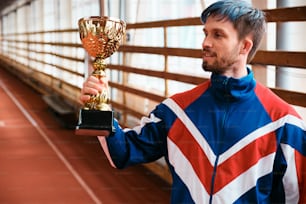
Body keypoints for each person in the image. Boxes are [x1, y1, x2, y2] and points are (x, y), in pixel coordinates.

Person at [80, 0, 306, 203]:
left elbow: (296, 197)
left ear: (244, 47)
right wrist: (100, 106)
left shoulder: (283, 123)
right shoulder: (177, 111)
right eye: (205, 33)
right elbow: (123, 152)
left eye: (218, 35)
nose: (205, 42)